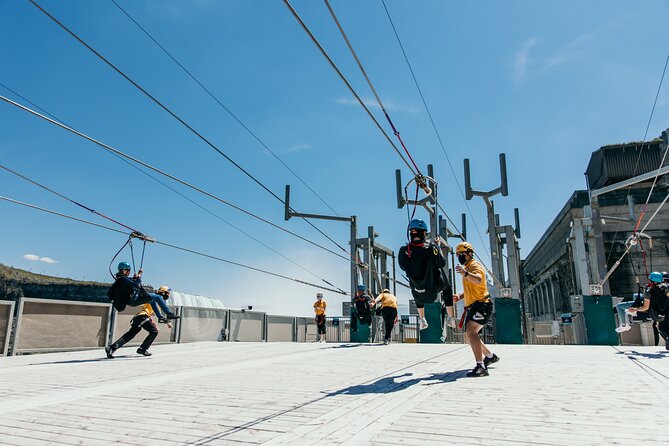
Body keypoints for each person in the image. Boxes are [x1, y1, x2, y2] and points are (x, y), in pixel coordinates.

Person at [398, 219, 456, 331]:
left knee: (415, 285)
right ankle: (450, 317)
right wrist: (437, 247)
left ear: (410, 233)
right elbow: (441, 263)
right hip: (433, 289)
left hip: (418, 292)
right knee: (447, 287)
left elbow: (402, 266)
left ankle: (422, 318)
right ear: (424, 233)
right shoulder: (431, 248)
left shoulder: (404, 250)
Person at [453, 241, 499, 377]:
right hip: (474, 306)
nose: (460, 256)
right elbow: (471, 288)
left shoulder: (474, 266)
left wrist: (465, 274)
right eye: (458, 254)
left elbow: (478, 280)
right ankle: (490, 356)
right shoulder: (468, 267)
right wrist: (459, 296)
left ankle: (481, 366)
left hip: (482, 305)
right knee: (470, 336)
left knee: (471, 332)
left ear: (469, 254)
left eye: (462, 254)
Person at [105, 285, 173, 358]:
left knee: (130, 335)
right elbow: (147, 304)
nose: (168, 295)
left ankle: (111, 348)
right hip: (143, 317)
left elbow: (159, 313)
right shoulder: (153, 298)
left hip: (138, 317)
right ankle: (142, 349)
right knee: (154, 331)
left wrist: (167, 323)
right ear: (163, 293)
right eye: (167, 293)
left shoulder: (157, 301)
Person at [108, 262, 179, 321]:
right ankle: (169, 314)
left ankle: (160, 318)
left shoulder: (121, 279)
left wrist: (135, 278)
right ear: (124, 270)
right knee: (157, 297)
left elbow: (131, 283)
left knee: (151, 300)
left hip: (131, 300)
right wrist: (139, 276)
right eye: (128, 270)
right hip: (133, 300)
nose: (129, 272)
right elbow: (137, 285)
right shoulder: (123, 279)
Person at [627, 272, 669, 349]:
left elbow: (645, 307)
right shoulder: (666, 287)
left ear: (651, 281)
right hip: (667, 311)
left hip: (657, 314)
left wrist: (635, 309)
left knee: (661, 329)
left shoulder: (648, 292)